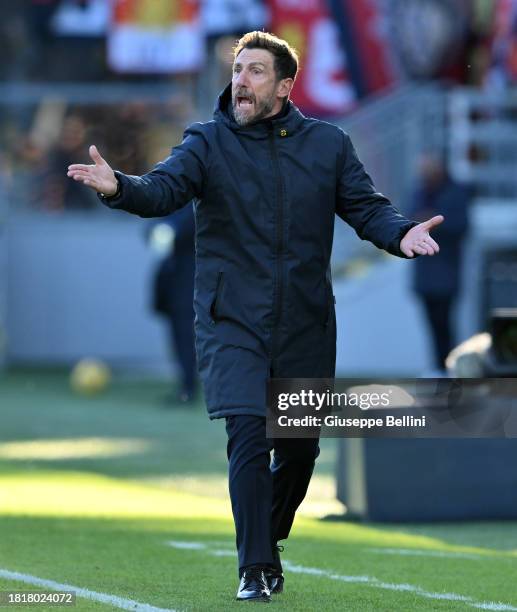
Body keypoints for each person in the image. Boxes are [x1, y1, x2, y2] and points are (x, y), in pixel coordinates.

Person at [67, 31, 443, 603]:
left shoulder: (329, 145)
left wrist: (401, 233)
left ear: (285, 86)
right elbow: (162, 190)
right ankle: (256, 567)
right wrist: (120, 187)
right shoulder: (206, 143)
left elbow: (367, 208)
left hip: (305, 323)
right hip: (231, 321)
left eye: (256, 71)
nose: (240, 80)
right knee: (248, 431)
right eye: (237, 70)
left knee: (299, 450)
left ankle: (269, 534)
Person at [408, 154, 470, 372]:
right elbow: (408, 220)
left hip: (446, 275)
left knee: (445, 327)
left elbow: (460, 226)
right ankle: (439, 370)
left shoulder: (455, 192)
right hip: (425, 277)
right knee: (433, 328)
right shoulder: (419, 192)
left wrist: (432, 221)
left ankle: (449, 371)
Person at [148, 204, 197, 403]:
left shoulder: (193, 204)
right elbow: (151, 230)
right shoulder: (171, 199)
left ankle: (188, 387)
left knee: (187, 336)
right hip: (173, 281)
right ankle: (186, 386)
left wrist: (171, 230)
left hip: (193, 281)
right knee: (180, 335)